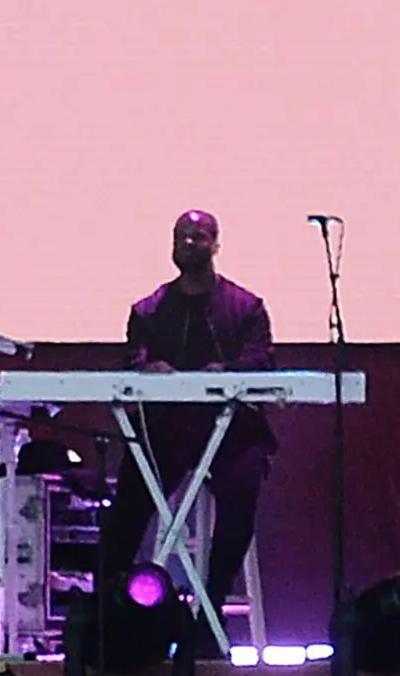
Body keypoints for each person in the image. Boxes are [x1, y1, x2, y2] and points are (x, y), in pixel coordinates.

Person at [97, 209, 278, 646]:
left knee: (243, 489)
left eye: (198, 237)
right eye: (181, 236)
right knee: (128, 503)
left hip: (231, 432)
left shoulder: (247, 307)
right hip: (169, 429)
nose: (188, 244)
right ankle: (105, 617)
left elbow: (262, 361)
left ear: (216, 244)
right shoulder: (149, 309)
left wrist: (227, 371)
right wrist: (147, 369)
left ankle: (210, 609)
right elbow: (132, 358)